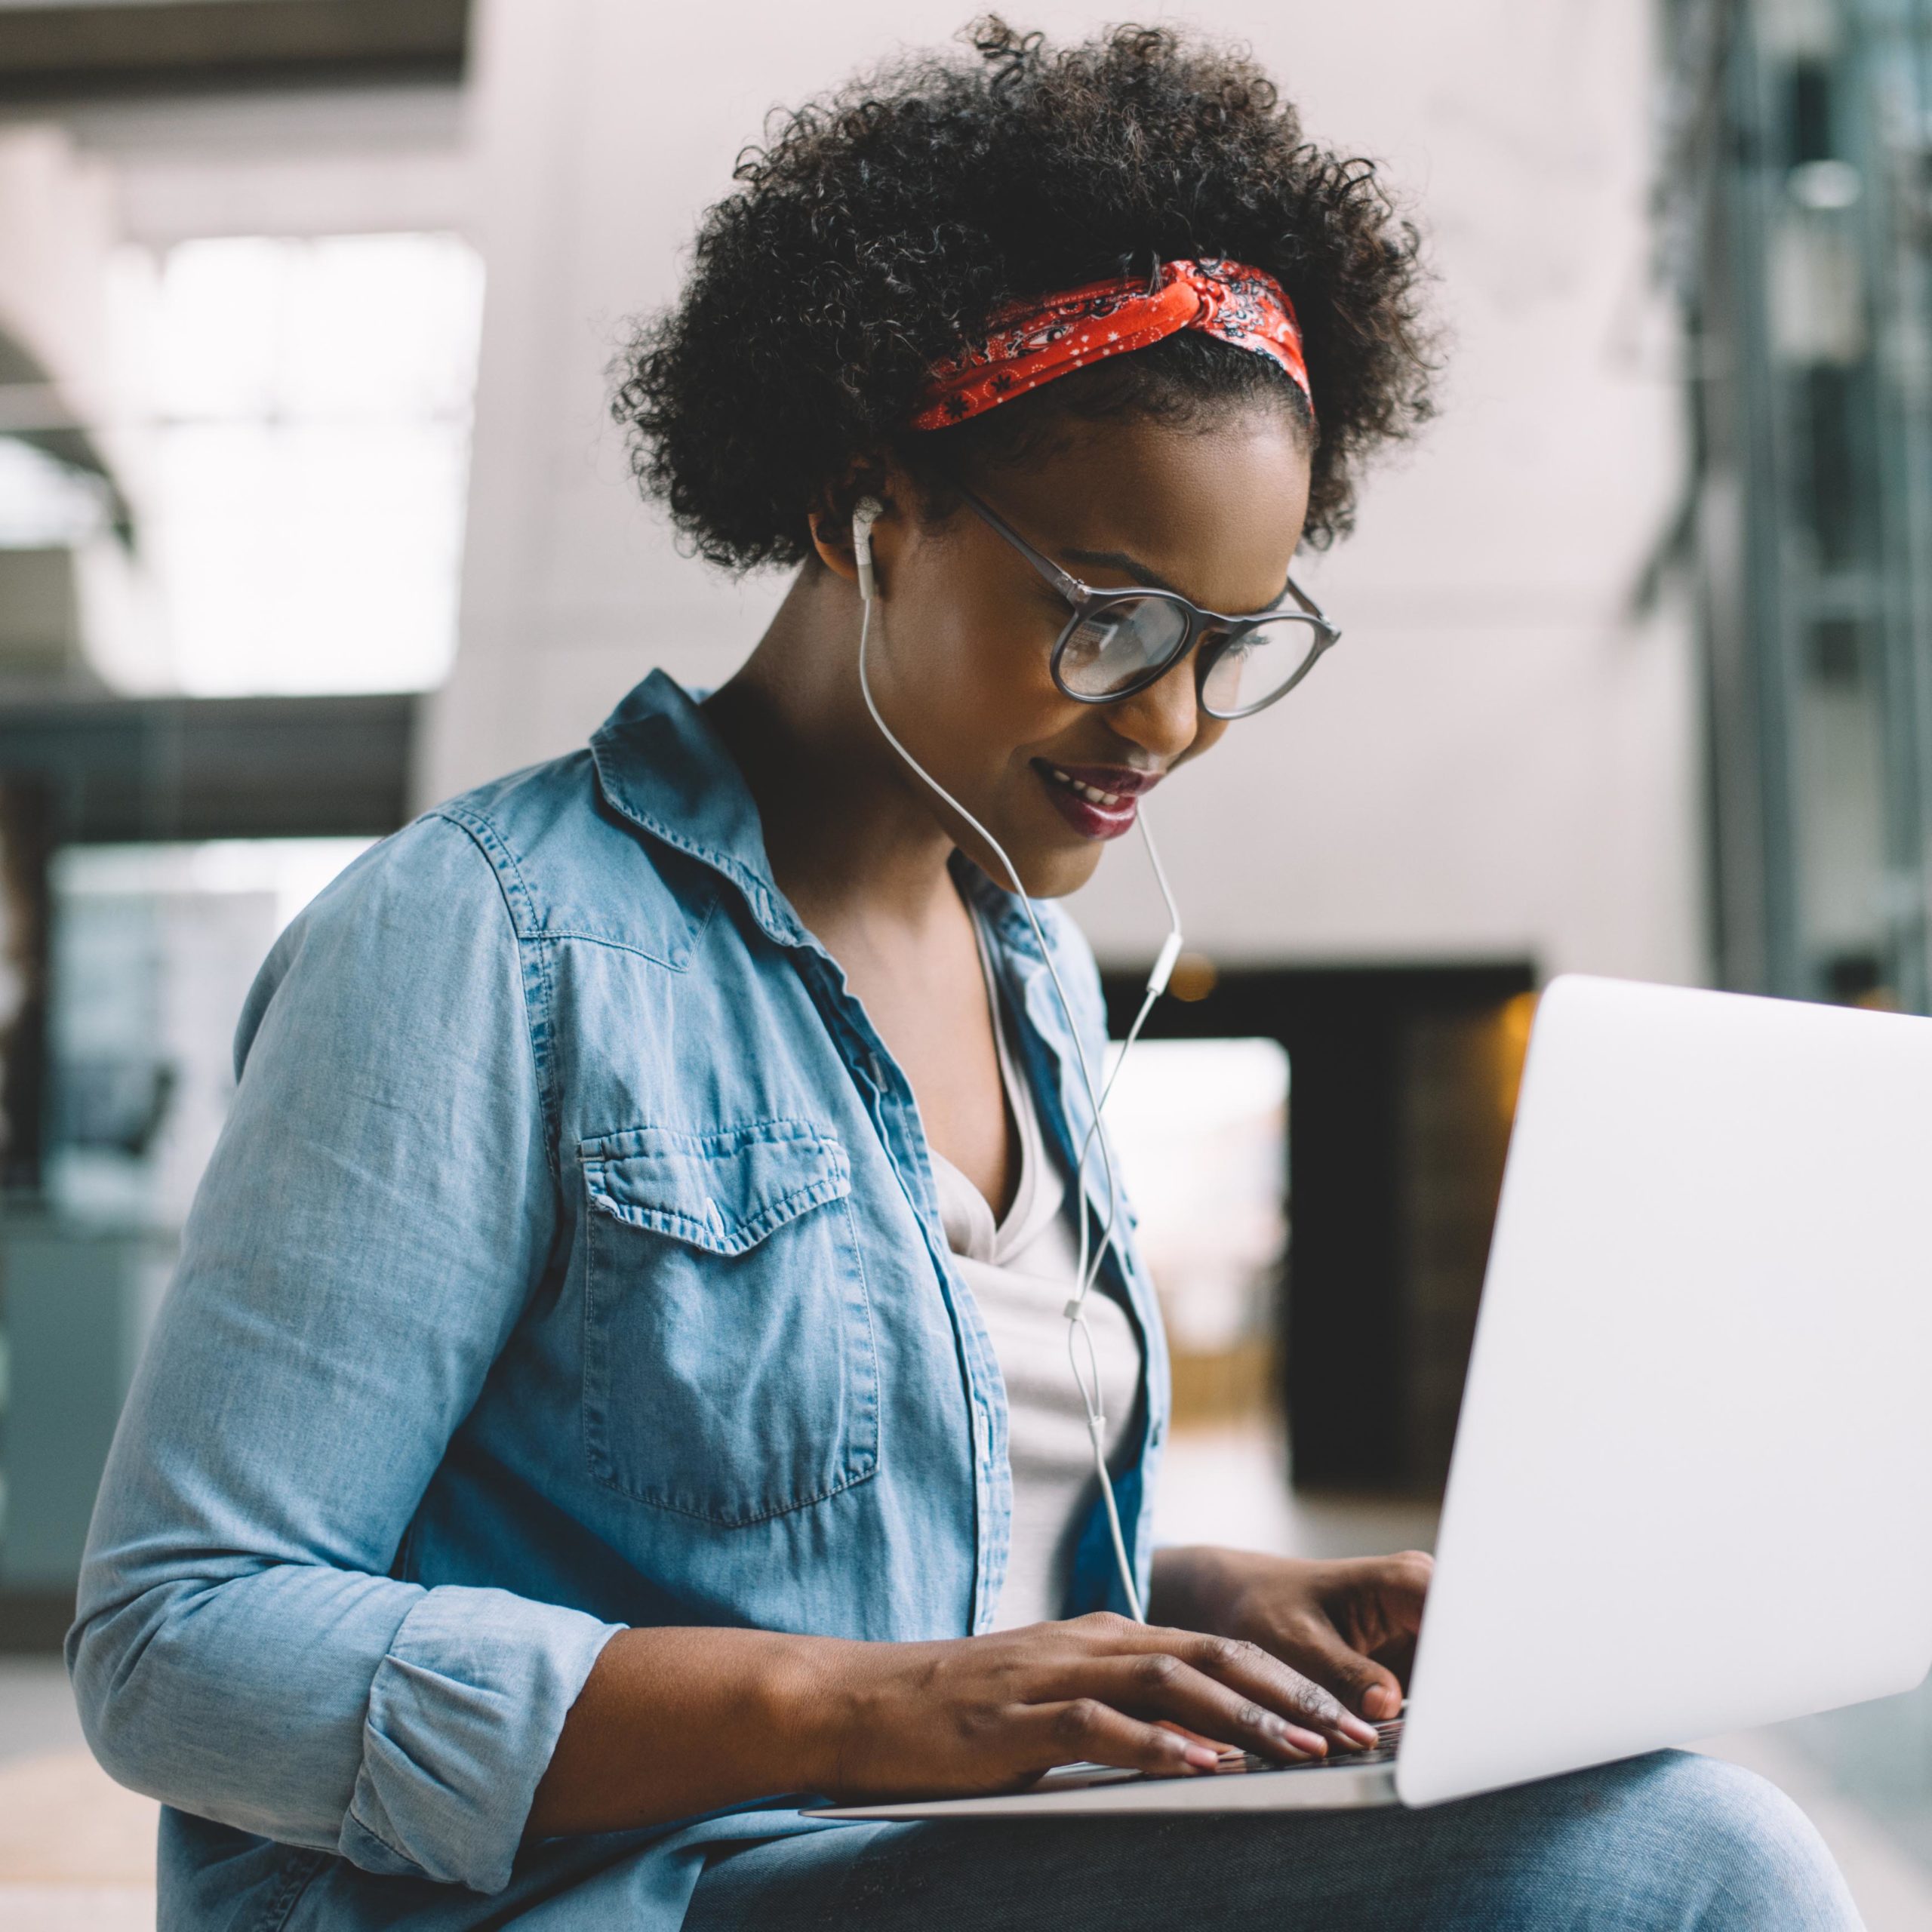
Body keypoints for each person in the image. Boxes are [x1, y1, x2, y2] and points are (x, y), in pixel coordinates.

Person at [69, 19, 1862, 1930]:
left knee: (1641, 1807)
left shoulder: (1032, 983)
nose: (1169, 720)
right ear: (868, 516)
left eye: (1230, 644)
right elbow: (183, 1640)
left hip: (905, 1870)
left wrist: (1202, 1603)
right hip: (611, 1895)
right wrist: (840, 1710)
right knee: (1681, 1868)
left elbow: (887, 1548)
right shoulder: (481, 943)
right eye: (1108, 619)